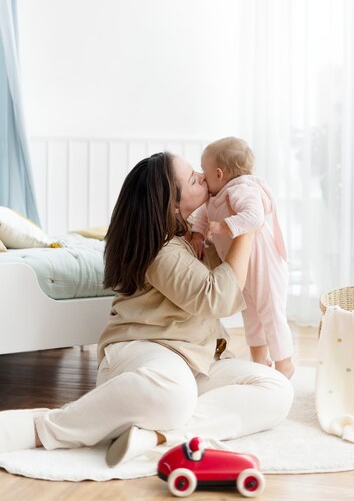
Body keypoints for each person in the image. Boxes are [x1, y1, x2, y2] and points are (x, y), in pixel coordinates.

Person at [0, 152, 293, 467]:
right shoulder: (160, 249)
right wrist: (248, 225)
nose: (204, 178)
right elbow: (216, 297)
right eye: (194, 179)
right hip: (143, 354)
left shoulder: (194, 238)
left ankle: (155, 438)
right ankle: (45, 428)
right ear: (172, 205)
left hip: (192, 361)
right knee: (174, 394)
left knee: (276, 388)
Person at [190, 137, 294, 378]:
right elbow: (204, 216)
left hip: (264, 261)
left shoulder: (241, 189)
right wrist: (196, 234)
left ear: (219, 173)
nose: (202, 177)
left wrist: (222, 227)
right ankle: (260, 362)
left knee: (270, 311)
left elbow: (255, 217)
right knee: (251, 312)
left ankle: (285, 364)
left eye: (204, 171)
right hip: (242, 264)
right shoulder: (216, 196)